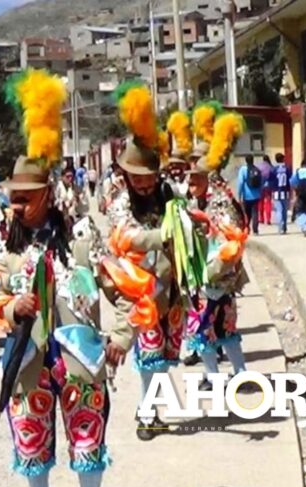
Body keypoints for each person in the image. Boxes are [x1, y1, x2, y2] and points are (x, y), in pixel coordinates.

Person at [0, 156, 122, 487]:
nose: (17, 205)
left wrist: (123, 337)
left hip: (79, 361)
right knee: (31, 445)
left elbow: (120, 288)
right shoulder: (6, 248)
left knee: (88, 444)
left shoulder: (81, 236)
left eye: (26, 197)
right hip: (27, 364)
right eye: (14, 197)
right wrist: (13, 307)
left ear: (47, 194)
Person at [99, 83, 185, 441]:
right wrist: (161, 237)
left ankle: (151, 410)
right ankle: (147, 415)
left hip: (172, 291)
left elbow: (185, 219)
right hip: (141, 294)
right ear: (125, 177)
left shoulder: (168, 193)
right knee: (149, 354)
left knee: (166, 355)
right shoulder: (119, 201)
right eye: (138, 179)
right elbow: (124, 238)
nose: (145, 185)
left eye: (150, 178)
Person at [186, 128, 250, 391]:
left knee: (226, 329)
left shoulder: (221, 200)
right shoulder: (193, 200)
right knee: (201, 332)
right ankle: (212, 375)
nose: (190, 179)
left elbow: (231, 241)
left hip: (219, 278)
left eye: (195, 173)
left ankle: (241, 374)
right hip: (197, 278)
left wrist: (207, 225)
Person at [235, 155, 263, 234]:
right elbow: (261, 182)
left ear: (246, 161)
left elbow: (240, 182)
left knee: (247, 213)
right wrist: (260, 192)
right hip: (256, 195)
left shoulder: (243, 170)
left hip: (246, 196)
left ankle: (247, 228)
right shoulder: (256, 170)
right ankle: (255, 230)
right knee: (255, 212)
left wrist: (239, 194)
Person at [271, 154, 292, 234]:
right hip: (285, 191)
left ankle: (280, 227)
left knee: (278, 210)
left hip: (276, 192)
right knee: (284, 211)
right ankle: (284, 227)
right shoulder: (287, 168)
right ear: (283, 159)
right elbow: (290, 179)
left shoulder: (274, 169)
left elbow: (271, 180)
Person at [257, 155, 274, 225]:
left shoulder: (259, 167)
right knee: (268, 202)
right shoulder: (271, 167)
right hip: (269, 187)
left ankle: (261, 218)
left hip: (260, 186)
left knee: (260, 202)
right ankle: (268, 219)